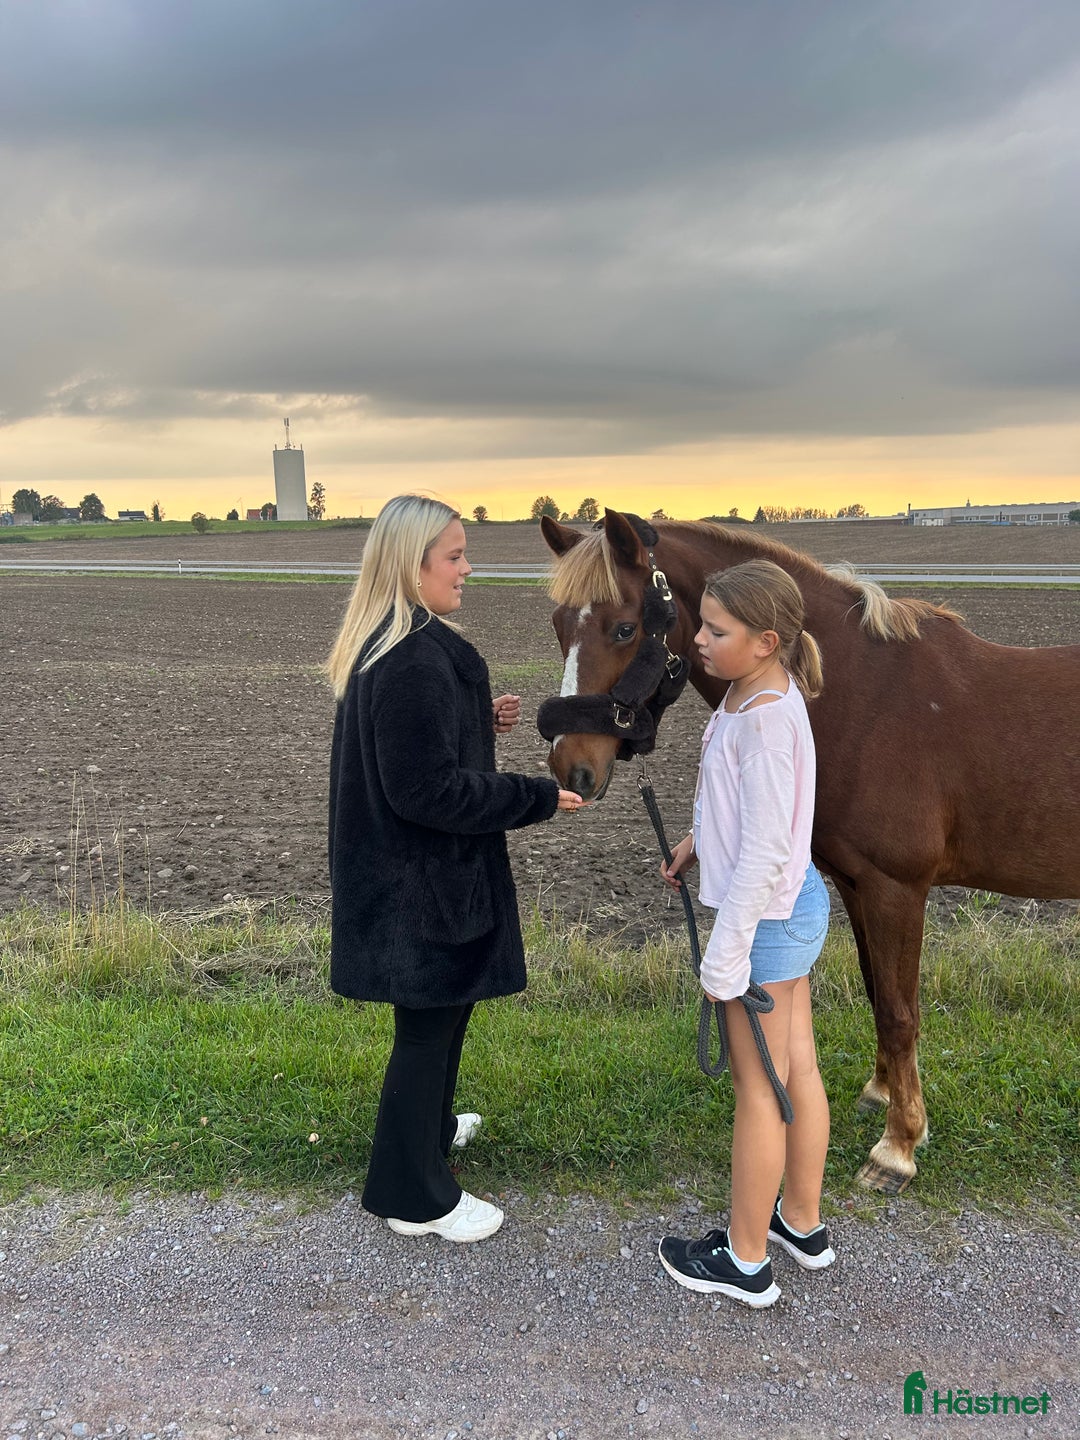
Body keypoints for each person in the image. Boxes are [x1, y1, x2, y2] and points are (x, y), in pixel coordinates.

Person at [326, 494, 583, 1244]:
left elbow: (416, 748)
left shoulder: (405, 641)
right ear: (413, 565)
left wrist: (477, 718)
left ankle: (429, 1127)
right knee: (427, 1025)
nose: (468, 569)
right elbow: (425, 789)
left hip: (420, 880)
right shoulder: (410, 658)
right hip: (420, 886)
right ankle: (412, 1194)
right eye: (455, 556)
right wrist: (533, 796)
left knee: (441, 1017)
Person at [656, 559, 834, 1307]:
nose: (698, 638)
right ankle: (801, 1223)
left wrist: (724, 959)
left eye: (716, 630)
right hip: (791, 908)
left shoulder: (762, 722)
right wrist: (700, 837)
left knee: (761, 1093)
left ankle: (747, 1260)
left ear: (766, 640)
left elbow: (763, 850)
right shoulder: (755, 691)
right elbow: (746, 811)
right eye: (701, 623)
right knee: (798, 1067)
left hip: (763, 923)